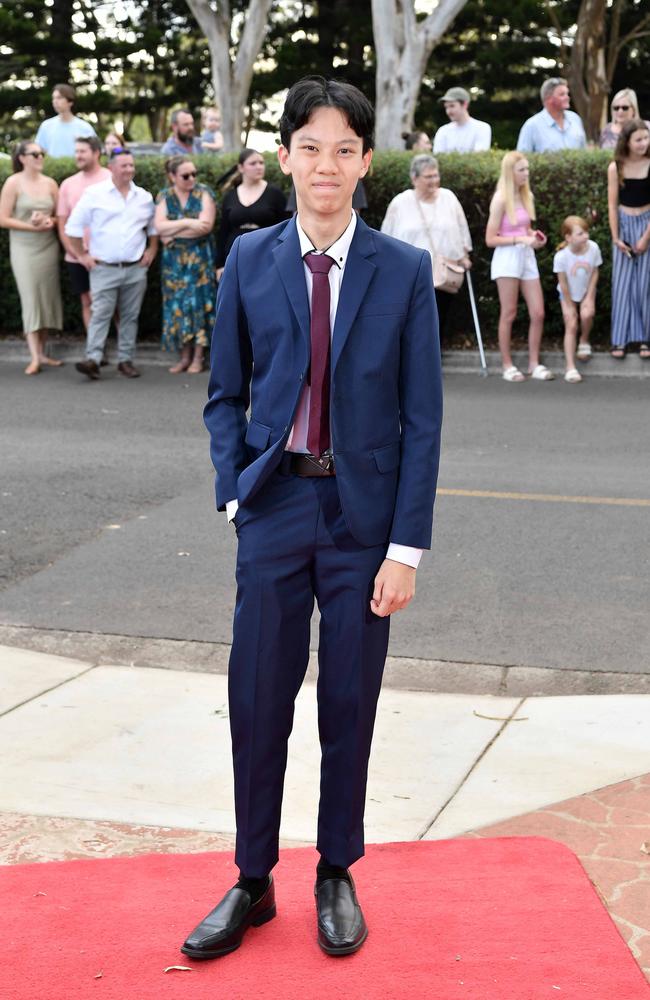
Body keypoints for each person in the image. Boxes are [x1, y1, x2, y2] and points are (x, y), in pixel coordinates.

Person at [182, 75, 441, 961]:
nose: (325, 165)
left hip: (364, 521)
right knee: (257, 699)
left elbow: (423, 420)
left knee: (349, 704)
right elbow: (225, 394)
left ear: (366, 162)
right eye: (309, 147)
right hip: (275, 506)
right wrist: (233, 489)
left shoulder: (400, 270)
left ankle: (336, 871)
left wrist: (405, 547)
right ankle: (253, 880)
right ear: (285, 155)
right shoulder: (249, 259)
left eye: (344, 149)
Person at [65, 147, 159, 380]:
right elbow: (72, 228)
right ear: (111, 167)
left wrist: (152, 249)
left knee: (130, 316)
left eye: (131, 165)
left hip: (135, 268)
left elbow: (153, 228)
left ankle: (125, 361)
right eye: (124, 165)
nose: (129, 169)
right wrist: (82, 256)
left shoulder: (144, 197)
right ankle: (93, 360)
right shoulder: (94, 194)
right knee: (100, 314)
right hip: (103, 268)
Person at [380, 153, 472, 335]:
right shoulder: (400, 202)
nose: (434, 180)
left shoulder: (449, 198)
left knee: (439, 321)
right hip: (409, 274)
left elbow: (462, 228)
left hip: (444, 273)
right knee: (413, 322)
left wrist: (464, 255)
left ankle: (434, 360)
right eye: (428, 176)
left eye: (436, 175)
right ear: (414, 178)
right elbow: (386, 237)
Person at [485, 151, 552, 381]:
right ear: (510, 172)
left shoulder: (526, 195)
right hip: (507, 258)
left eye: (527, 169)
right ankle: (507, 365)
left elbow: (526, 230)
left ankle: (534, 364)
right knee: (509, 312)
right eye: (521, 169)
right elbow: (490, 239)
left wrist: (534, 237)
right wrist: (520, 240)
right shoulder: (500, 199)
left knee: (538, 312)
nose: (526, 173)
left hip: (526, 256)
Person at [0, 141, 63, 375]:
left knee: (46, 299)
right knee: (30, 298)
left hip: (47, 246)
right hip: (24, 248)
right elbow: (3, 219)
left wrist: (49, 222)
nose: (39, 157)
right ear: (22, 158)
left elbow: (59, 216)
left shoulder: (50, 183)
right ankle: (34, 357)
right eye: (35, 154)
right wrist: (30, 225)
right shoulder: (13, 183)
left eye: (41, 153)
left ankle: (44, 352)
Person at [154, 156, 217, 373]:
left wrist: (173, 230)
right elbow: (159, 227)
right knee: (177, 305)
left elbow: (206, 227)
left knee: (198, 304)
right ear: (172, 176)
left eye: (194, 174)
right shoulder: (164, 196)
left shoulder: (204, 192)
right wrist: (189, 222)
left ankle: (198, 357)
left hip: (199, 259)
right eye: (185, 175)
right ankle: (183, 356)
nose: (192, 178)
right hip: (173, 263)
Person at [57, 136, 111, 334]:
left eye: (82, 151)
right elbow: (63, 224)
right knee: (87, 301)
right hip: (76, 257)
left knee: (111, 305)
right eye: (76, 151)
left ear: (96, 153)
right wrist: (78, 254)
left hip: (106, 256)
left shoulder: (110, 179)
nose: (78, 156)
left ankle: (124, 356)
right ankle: (95, 351)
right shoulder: (67, 184)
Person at [607, 119, 650, 359]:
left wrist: (645, 238)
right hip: (624, 223)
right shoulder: (616, 167)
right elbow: (612, 205)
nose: (644, 143)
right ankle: (620, 339)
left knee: (644, 285)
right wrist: (616, 237)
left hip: (647, 223)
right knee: (622, 284)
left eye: (646, 138)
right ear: (627, 142)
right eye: (639, 139)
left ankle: (644, 338)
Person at [215, 149, 287, 278]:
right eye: (253, 163)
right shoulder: (230, 196)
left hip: (266, 252)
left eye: (261, 163)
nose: (259, 167)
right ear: (241, 168)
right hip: (235, 253)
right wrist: (220, 264)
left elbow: (286, 229)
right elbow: (223, 231)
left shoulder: (275, 194)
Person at [553, 216, 601, 382]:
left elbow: (595, 272)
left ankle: (584, 340)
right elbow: (563, 283)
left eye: (586, 232)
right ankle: (570, 367)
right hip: (567, 293)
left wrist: (588, 296)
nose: (586, 236)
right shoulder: (561, 257)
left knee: (587, 313)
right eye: (580, 234)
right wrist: (570, 306)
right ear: (568, 238)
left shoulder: (593, 248)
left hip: (586, 289)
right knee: (571, 322)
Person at [517, 77, 586, 153]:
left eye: (567, 94)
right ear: (548, 98)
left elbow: (584, 152)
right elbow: (522, 159)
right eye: (562, 94)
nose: (567, 97)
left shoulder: (575, 119)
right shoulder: (531, 126)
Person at [35, 83, 96, 158]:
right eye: (53, 98)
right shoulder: (46, 126)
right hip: (52, 169)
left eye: (59, 98)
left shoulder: (84, 127)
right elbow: (39, 151)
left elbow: (95, 151)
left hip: (79, 169)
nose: (55, 101)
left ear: (70, 102)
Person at [433, 87, 491, 153]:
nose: (448, 111)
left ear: (465, 105)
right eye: (446, 107)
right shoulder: (442, 131)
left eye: (452, 106)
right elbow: (438, 158)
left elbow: (479, 157)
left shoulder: (482, 128)